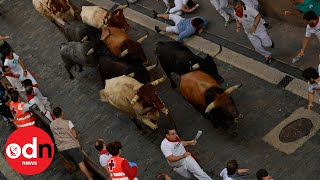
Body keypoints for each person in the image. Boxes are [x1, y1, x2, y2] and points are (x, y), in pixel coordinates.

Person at [50, 107, 93, 180]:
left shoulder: (51, 124)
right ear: (62, 113)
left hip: (62, 149)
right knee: (81, 164)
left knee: (76, 162)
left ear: (54, 115)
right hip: (71, 147)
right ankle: (90, 178)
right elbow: (75, 135)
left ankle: (89, 173)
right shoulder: (68, 122)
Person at [233, 0, 274, 64]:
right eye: (235, 8)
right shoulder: (235, 12)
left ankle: (270, 43)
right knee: (257, 48)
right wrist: (238, 27)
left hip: (259, 29)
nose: (237, 9)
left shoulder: (249, 9)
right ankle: (267, 55)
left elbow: (258, 16)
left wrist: (254, 26)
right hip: (249, 32)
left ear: (241, 5)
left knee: (267, 44)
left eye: (238, 7)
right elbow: (237, 20)